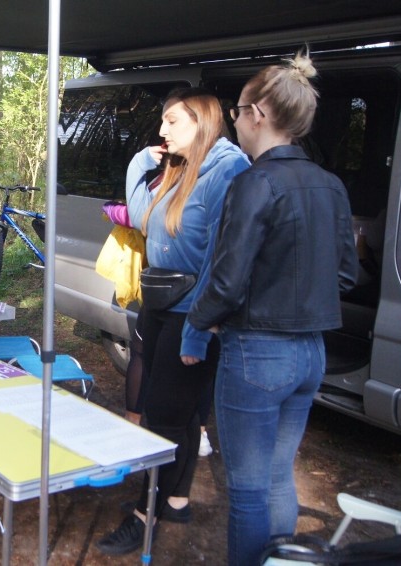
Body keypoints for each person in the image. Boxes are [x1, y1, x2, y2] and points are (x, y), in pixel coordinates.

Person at [188, 50, 358, 566]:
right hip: (312, 355)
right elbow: (346, 275)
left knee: (247, 492)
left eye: (238, 112)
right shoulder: (332, 186)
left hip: (257, 355)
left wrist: (197, 320)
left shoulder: (253, 182)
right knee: (278, 477)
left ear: (258, 113)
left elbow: (227, 279)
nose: (235, 122)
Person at [96, 87, 250, 556]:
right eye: (162, 122)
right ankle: (176, 500)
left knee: (165, 417)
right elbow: (142, 219)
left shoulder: (228, 169)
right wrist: (139, 164)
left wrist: (202, 330)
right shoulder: (179, 169)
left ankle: (146, 516)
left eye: (172, 121)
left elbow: (226, 260)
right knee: (178, 418)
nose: (162, 131)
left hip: (194, 313)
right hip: (162, 301)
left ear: (202, 122)